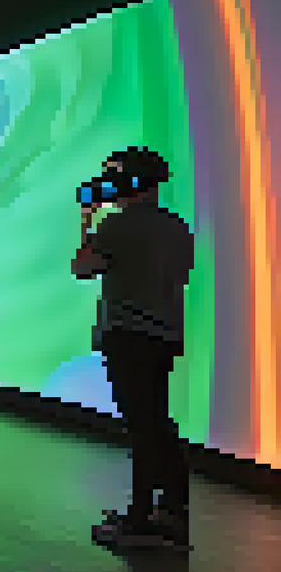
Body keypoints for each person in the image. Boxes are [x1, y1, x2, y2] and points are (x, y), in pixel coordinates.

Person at [73, 147, 195, 551]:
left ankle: (142, 518)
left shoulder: (116, 226)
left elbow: (81, 267)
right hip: (165, 337)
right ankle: (171, 510)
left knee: (142, 427)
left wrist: (87, 221)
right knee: (157, 421)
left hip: (128, 337)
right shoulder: (178, 228)